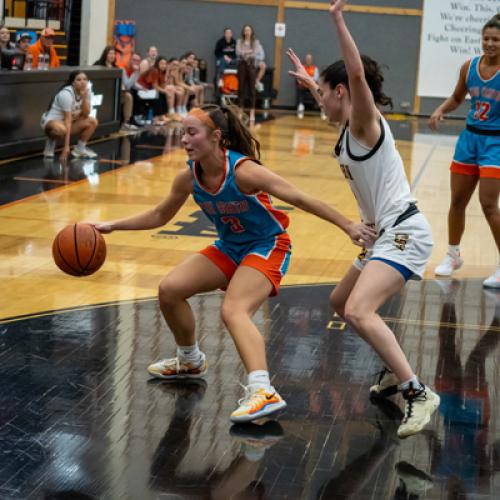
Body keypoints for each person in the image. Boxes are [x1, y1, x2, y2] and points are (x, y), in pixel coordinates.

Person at [90, 103, 376, 423]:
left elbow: (299, 198)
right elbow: (159, 215)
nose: (184, 139)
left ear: (215, 137)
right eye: (182, 132)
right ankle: (189, 360)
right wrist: (114, 225)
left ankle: (262, 391)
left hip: (268, 245)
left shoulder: (243, 172)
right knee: (170, 289)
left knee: (233, 310)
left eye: (191, 132)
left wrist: (348, 225)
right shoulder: (188, 178)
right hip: (230, 247)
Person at [287, 0, 440, 438]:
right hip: (384, 236)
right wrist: (311, 82)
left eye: (322, 89)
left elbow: (354, 77)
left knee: (357, 308)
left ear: (343, 92)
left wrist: (338, 19)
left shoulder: (365, 125)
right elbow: (337, 90)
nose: (316, 97)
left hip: (405, 233)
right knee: (341, 302)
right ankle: (394, 371)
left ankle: (416, 392)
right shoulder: (345, 127)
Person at [429, 14, 500, 288]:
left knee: (488, 205)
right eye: (486, 39)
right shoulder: (469, 67)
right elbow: (458, 97)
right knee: (457, 201)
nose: (490, 44)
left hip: (495, 143)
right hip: (469, 140)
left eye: (495, 39)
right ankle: (453, 254)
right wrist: (441, 109)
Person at [41, 70, 98, 160]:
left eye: (85, 79)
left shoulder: (87, 91)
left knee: (92, 121)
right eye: (79, 80)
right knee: (60, 129)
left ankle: (80, 148)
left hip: (68, 122)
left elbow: (86, 114)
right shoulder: (66, 94)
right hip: (51, 123)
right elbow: (68, 120)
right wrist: (66, 147)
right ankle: (50, 142)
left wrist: (84, 98)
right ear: (73, 83)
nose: (83, 82)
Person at [236, 24, 266, 122]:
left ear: (251, 32)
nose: (247, 32)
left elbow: (254, 53)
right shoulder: (239, 41)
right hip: (242, 66)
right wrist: (247, 53)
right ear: (243, 32)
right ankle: (240, 111)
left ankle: (252, 112)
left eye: (249, 30)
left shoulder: (255, 42)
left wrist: (246, 53)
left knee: (252, 89)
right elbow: (238, 52)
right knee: (241, 88)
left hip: (251, 66)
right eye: (245, 30)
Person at [296, 53, 319, 118]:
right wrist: (305, 81)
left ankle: (320, 106)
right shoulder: (302, 68)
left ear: (311, 60)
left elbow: (316, 78)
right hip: (303, 85)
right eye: (307, 59)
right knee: (299, 87)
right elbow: (298, 78)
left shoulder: (315, 69)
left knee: (318, 89)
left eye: (309, 59)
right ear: (305, 60)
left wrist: (308, 81)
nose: (308, 60)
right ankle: (301, 104)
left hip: (311, 85)